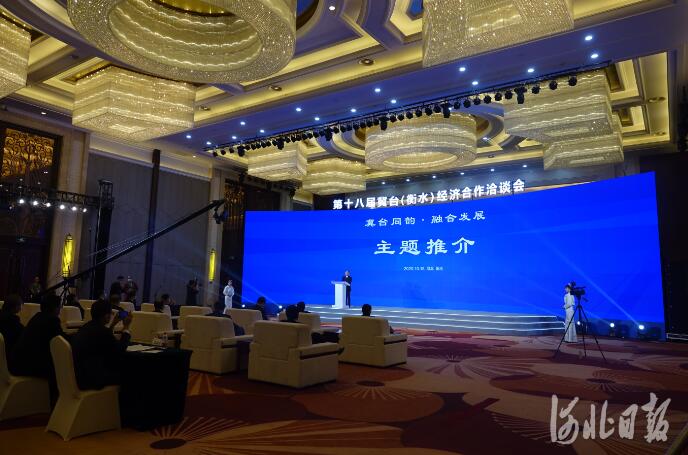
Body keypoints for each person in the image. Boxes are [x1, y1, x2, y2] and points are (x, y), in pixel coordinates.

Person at [10, 295, 65, 401]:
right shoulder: (52, 320)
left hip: (18, 362)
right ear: (55, 308)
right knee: (60, 368)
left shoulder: (37, 317)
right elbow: (62, 341)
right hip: (29, 366)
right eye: (60, 306)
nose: (60, 309)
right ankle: (56, 401)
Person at [70, 299, 132, 390]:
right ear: (106, 316)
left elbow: (106, 340)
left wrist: (113, 324)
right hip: (94, 379)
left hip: (81, 376)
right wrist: (126, 327)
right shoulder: (102, 332)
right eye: (110, 313)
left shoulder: (85, 327)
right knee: (130, 373)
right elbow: (120, 349)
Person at [0, 294, 24, 364]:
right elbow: (22, 335)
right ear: (16, 307)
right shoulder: (13, 321)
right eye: (20, 305)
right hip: (9, 355)